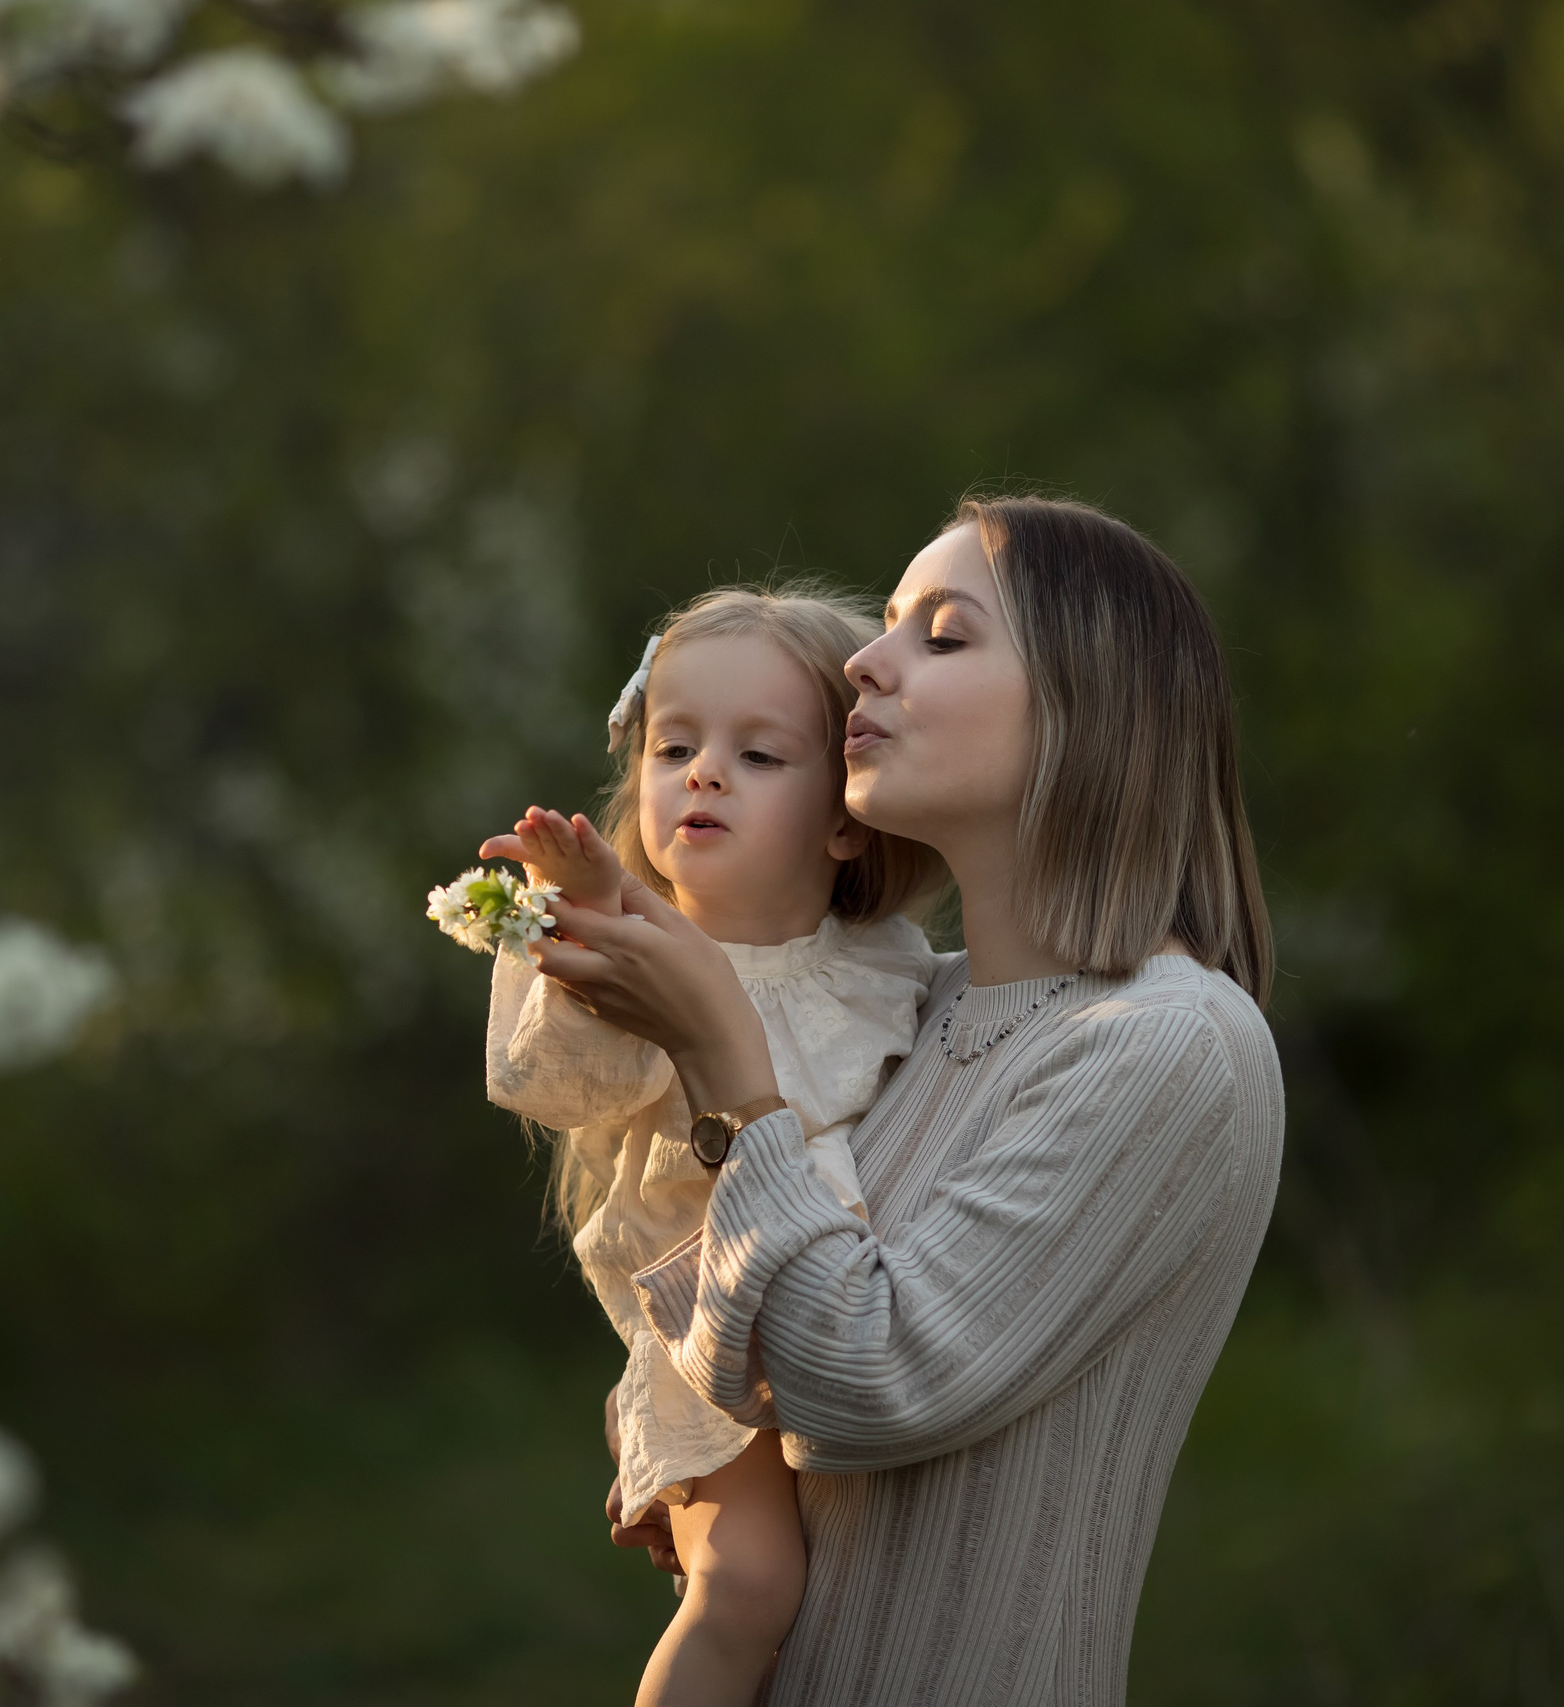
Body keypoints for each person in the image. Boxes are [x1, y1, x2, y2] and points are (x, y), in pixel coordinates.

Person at [522, 496, 1286, 1705]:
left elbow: (861, 1384)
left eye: (941, 636)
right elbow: (749, 1358)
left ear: (1091, 706)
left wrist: (722, 1050)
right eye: (883, 626)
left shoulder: (1168, 1044)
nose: (866, 667)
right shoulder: (898, 1018)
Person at [479, 585, 944, 1707]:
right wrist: (578, 920)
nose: (703, 772)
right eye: (674, 744)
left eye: (759, 754)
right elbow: (544, 1083)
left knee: (838, 1618)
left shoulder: (889, 959)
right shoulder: (643, 955)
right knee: (747, 1593)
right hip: (715, 1338)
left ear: (845, 818)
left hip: (850, 1320)